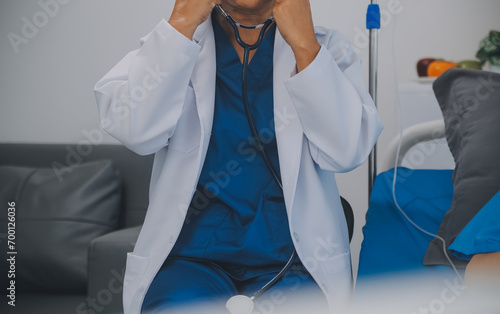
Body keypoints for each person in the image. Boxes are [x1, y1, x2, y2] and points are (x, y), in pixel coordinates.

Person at [94, 0, 383, 313]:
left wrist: (304, 46)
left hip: (293, 264)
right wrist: (181, 21)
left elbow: (347, 152)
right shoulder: (175, 41)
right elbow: (136, 131)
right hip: (189, 263)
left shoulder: (324, 47)